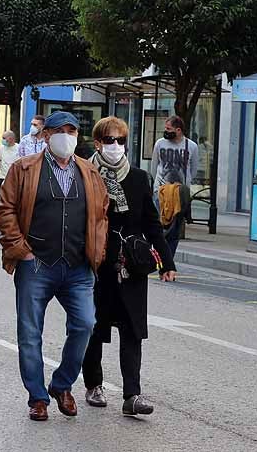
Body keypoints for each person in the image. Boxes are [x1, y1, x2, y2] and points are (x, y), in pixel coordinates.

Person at [0, 111, 108, 422]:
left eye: (72, 130)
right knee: (30, 332)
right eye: (60, 130)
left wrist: (97, 248)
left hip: (77, 265)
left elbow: (101, 214)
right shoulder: (24, 169)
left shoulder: (89, 172)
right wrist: (21, 250)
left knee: (85, 324)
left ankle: (62, 384)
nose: (66, 136)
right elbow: (4, 212)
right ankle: (37, 397)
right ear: (46, 135)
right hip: (36, 263)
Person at [81, 116, 176, 417]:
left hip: (131, 264)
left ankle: (131, 394)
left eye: (121, 140)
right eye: (110, 140)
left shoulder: (137, 177)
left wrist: (166, 262)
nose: (116, 146)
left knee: (133, 330)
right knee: (93, 327)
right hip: (96, 262)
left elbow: (151, 221)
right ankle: (94, 384)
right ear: (97, 143)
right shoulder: (86, 174)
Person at [151, 116, 199, 255]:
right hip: (161, 192)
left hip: (179, 195)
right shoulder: (160, 143)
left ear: (178, 130)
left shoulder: (191, 146)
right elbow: (154, 166)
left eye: (168, 129)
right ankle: (160, 257)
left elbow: (193, 170)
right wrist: (156, 187)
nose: (165, 131)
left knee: (174, 230)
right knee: (159, 227)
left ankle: (168, 260)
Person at [0, 130, 20, 205]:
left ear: (11, 138)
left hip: (13, 178)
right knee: (3, 197)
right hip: (2, 177)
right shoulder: (1, 148)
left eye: (4, 138)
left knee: (12, 197)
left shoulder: (19, 148)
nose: (3, 140)